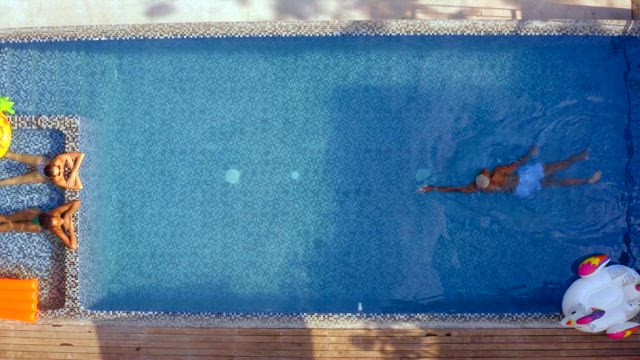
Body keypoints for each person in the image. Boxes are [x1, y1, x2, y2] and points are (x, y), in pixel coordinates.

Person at [418, 145, 601, 196]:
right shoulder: (498, 171)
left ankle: (587, 180)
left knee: (556, 183)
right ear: (487, 175)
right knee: (556, 166)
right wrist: (530, 153)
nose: (484, 169)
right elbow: (518, 164)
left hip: (521, 190)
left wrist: (433, 188)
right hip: (525, 177)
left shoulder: (479, 187)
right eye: (484, 171)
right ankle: (581, 157)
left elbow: (456, 189)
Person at [0, 200, 81, 250]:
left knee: (9, 221)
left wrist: (67, 216)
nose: (61, 220)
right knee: (9, 222)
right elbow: (73, 246)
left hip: (34, 218)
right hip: (34, 219)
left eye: (58, 220)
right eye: (59, 221)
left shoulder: (55, 214)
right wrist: (71, 229)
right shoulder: (56, 228)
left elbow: (77, 202)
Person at [0, 151, 85, 190]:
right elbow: (79, 186)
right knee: (16, 157)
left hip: (41, 169)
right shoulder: (57, 177)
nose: (61, 171)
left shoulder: (57, 163)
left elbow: (81, 154)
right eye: (59, 173)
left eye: (59, 168)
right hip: (41, 169)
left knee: (17, 179)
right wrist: (74, 172)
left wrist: (73, 172)